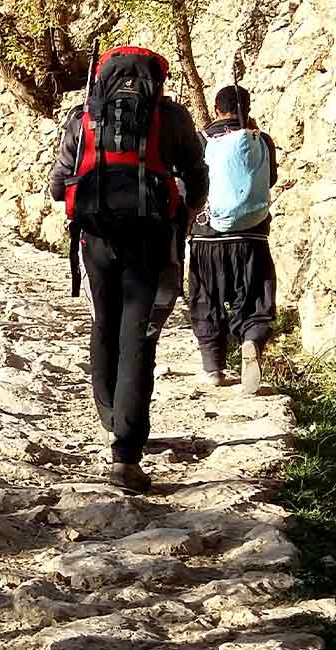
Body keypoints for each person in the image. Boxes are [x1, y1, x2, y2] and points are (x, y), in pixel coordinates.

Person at [49, 46, 210, 493]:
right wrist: (187, 211)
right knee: (138, 335)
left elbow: (58, 184)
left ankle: (109, 412)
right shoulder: (171, 116)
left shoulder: (86, 117)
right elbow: (197, 174)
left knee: (105, 321)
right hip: (151, 238)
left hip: (95, 237)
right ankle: (126, 454)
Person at [188, 85, 278, 395]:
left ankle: (213, 368)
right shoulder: (262, 141)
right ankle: (251, 339)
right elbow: (270, 179)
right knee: (255, 300)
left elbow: (190, 183)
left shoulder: (201, 141)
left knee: (206, 300)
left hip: (207, 237)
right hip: (253, 236)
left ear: (215, 110)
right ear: (248, 108)